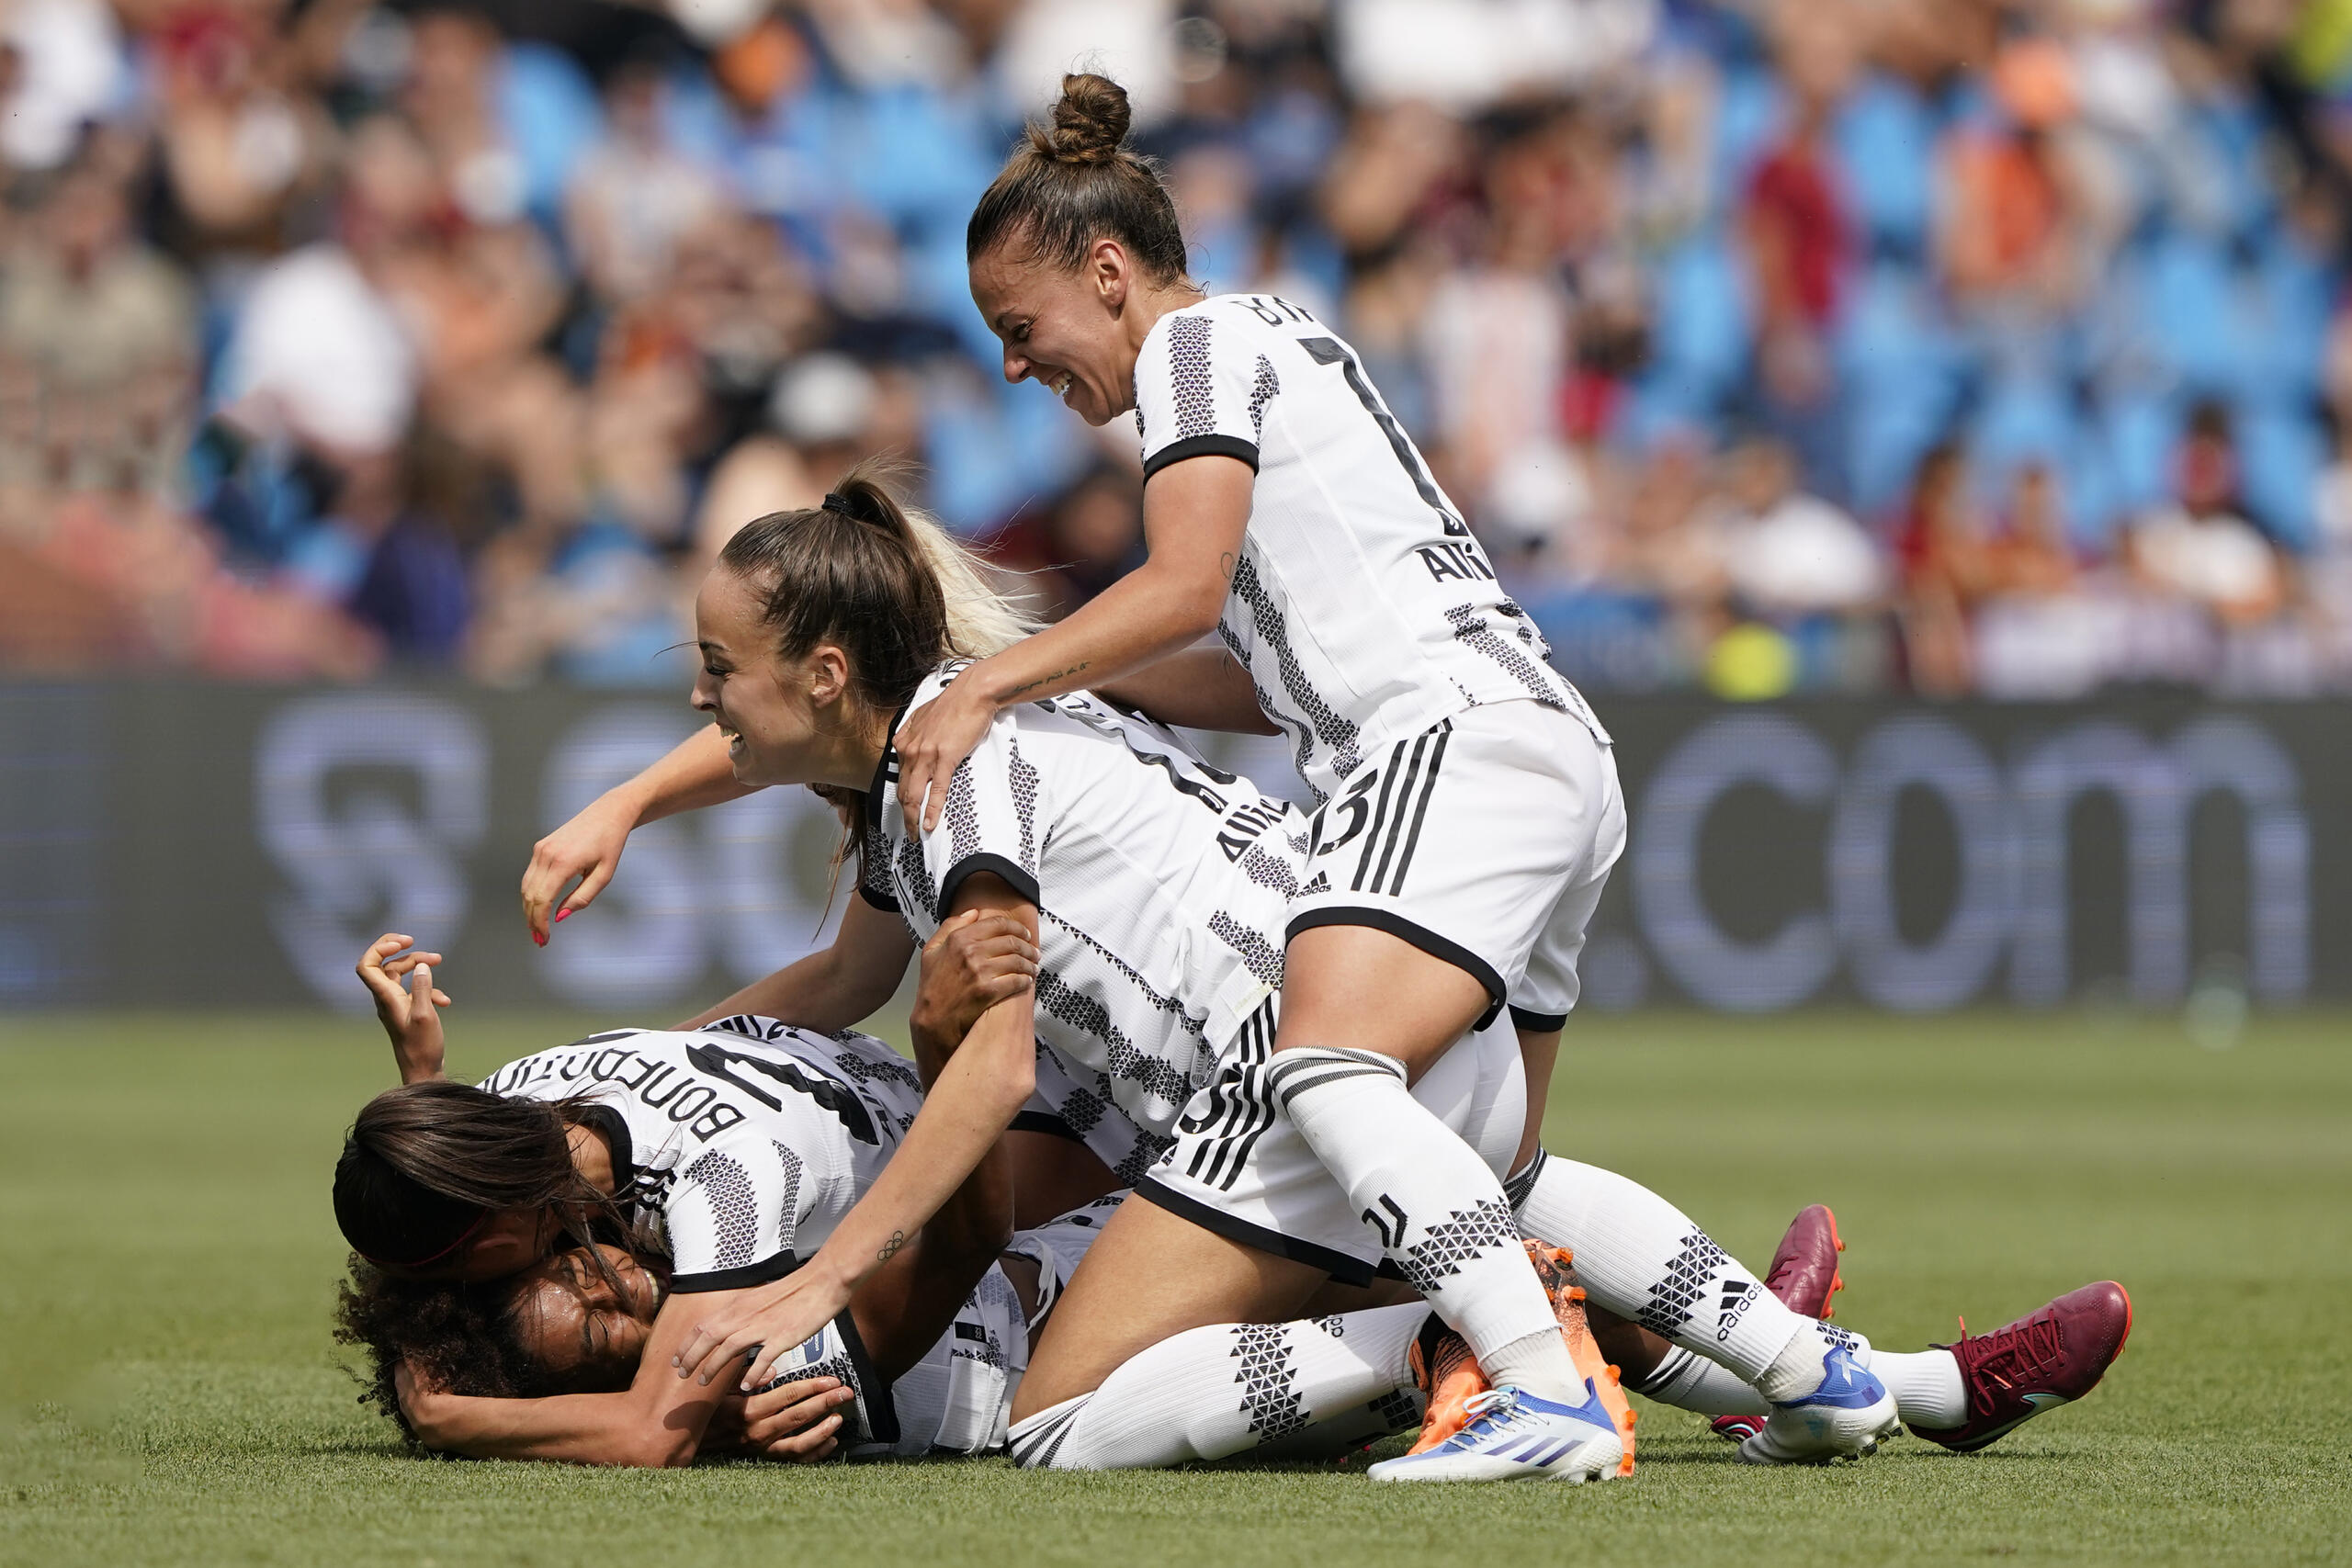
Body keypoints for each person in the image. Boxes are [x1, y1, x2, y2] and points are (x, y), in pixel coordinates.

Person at [521, 464, 2127, 1483]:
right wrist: (652, 999)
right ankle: (1892, 1383)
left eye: (716, 667)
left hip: (1267, 1080)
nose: (697, 694)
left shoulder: (955, 776)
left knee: (1061, 1421)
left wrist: (814, 1284)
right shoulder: (947, 738)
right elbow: (828, 974)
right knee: (1509, 1193)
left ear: (823, 667)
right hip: (1376, 1002)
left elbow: (992, 1072)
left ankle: (1462, 1343)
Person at [865, 71, 1893, 1477]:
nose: (1017, 364)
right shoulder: (1281, 332)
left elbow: (1181, 583)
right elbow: (1255, 661)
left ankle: (1538, 1384)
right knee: (1489, 1164)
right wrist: (1084, 672)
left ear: (1106, 272)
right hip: (1547, 743)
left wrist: (989, 675)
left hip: (1445, 745)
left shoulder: (1188, 354)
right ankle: (1813, 1369)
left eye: (1019, 327)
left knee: (1324, 1070)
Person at [333, 915, 1028, 1465]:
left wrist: (447, 1417)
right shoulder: (516, 1096)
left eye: (447, 1274)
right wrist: (423, 1085)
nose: (439, 1294)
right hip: (946, 1118)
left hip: (1006, 1148)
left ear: (496, 1233)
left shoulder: (719, 1183)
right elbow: (445, 1183)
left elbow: (650, 1437)